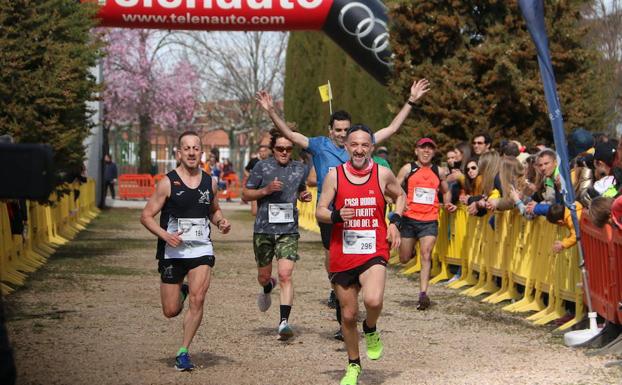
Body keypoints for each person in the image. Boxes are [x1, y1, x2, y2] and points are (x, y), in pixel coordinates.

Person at [255, 78, 430, 339]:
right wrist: (271, 111)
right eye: (337, 130)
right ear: (330, 131)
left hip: (361, 218)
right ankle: (338, 290)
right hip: (331, 216)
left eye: (345, 130)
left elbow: (391, 128)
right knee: (334, 261)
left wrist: (411, 101)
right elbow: (291, 135)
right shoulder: (319, 145)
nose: (341, 134)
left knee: (356, 268)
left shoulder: (357, 147)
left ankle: (348, 311)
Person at [315, 125, 405, 385]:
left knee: (374, 301)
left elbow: (401, 196)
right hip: (343, 249)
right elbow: (319, 210)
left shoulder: (382, 174)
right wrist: (335, 215)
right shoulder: (335, 176)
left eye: (364, 145)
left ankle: (371, 328)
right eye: (354, 144)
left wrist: (394, 222)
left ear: (371, 148)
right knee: (349, 314)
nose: (359, 149)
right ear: (346, 147)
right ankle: (353, 365)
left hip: (373, 247)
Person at [140, 131, 231, 371]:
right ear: (179, 153)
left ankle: (183, 351)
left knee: (198, 299)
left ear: (201, 152)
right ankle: (181, 290)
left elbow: (214, 210)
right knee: (170, 311)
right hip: (173, 251)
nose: (191, 152)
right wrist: (165, 235)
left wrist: (221, 222)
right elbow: (146, 216)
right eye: (186, 148)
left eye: (195, 148)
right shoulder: (167, 182)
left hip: (201, 248)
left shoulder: (209, 181)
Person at [241, 129, 312, 340]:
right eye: (280, 148)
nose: (284, 152)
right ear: (273, 149)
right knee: (264, 276)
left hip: (288, 230)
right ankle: (267, 287)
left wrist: (303, 195)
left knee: (285, 274)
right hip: (264, 230)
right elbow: (245, 194)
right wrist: (265, 191)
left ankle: (283, 322)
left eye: (288, 149)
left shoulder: (299, 168)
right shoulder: (262, 167)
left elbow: (300, 188)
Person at [397, 138, 457, 310]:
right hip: (409, 219)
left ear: (434, 152)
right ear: (416, 150)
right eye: (423, 148)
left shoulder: (439, 171)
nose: (426, 151)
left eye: (430, 149)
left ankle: (423, 294)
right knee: (404, 258)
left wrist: (447, 203)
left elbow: (446, 191)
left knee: (426, 254)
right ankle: (409, 248)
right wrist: (400, 200)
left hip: (429, 220)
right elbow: (393, 185)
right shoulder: (408, 168)